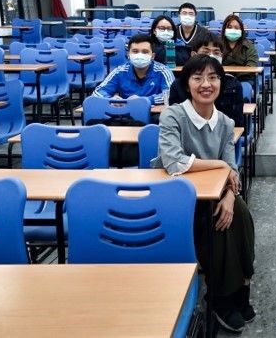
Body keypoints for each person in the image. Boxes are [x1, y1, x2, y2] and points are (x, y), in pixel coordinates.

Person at [152, 54, 256, 334]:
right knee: (216, 225)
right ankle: (222, 296)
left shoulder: (224, 122)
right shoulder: (173, 115)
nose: (206, 84)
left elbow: (232, 169)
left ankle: (240, 287)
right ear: (187, 84)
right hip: (176, 199)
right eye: (197, 78)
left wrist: (230, 197)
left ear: (221, 82)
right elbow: (174, 162)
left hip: (213, 196)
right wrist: (219, 165)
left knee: (239, 213)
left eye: (213, 77)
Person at [168, 31, 244, 127]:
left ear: (221, 57)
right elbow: (175, 121)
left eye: (216, 53)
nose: (211, 56)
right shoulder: (179, 85)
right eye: (205, 52)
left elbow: (237, 124)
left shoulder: (233, 85)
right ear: (194, 55)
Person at [92, 33, 174, 106]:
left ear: (152, 56)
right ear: (128, 55)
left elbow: (171, 94)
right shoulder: (119, 71)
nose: (140, 55)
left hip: (154, 114)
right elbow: (97, 93)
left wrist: (146, 100)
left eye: (145, 52)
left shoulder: (163, 71)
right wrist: (110, 99)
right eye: (135, 51)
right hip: (126, 114)